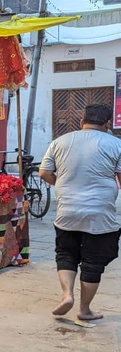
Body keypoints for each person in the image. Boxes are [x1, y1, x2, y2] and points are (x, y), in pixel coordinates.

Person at [39, 104, 121, 321]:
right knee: (93, 262)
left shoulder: (60, 141)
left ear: (81, 120)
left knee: (66, 254)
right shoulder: (116, 144)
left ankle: (67, 295)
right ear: (107, 124)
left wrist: (62, 184)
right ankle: (84, 310)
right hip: (100, 214)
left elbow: (44, 172)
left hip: (67, 212)